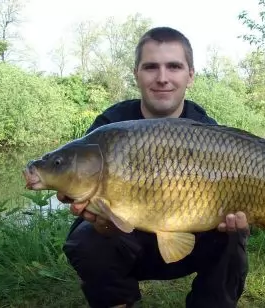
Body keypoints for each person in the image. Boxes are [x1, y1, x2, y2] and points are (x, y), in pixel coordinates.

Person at [59, 26, 250, 308]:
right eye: (151, 67)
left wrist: (245, 217)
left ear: (190, 75)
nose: (162, 78)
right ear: (136, 73)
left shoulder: (208, 132)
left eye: (174, 66)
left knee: (234, 235)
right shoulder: (109, 128)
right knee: (87, 239)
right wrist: (98, 218)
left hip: (193, 240)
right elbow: (79, 184)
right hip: (129, 242)